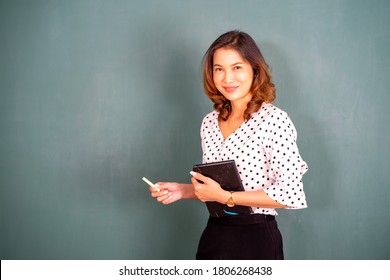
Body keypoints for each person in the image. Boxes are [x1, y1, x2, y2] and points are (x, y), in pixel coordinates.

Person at [149, 30, 308, 260]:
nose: (227, 78)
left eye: (237, 67)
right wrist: (183, 191)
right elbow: (218, 188)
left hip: (255, 239)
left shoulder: (274, 120)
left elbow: (289, 193)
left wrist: (227, 198)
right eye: (219, 69)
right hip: (214, 235)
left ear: (254, 70)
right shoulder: (209, 123)